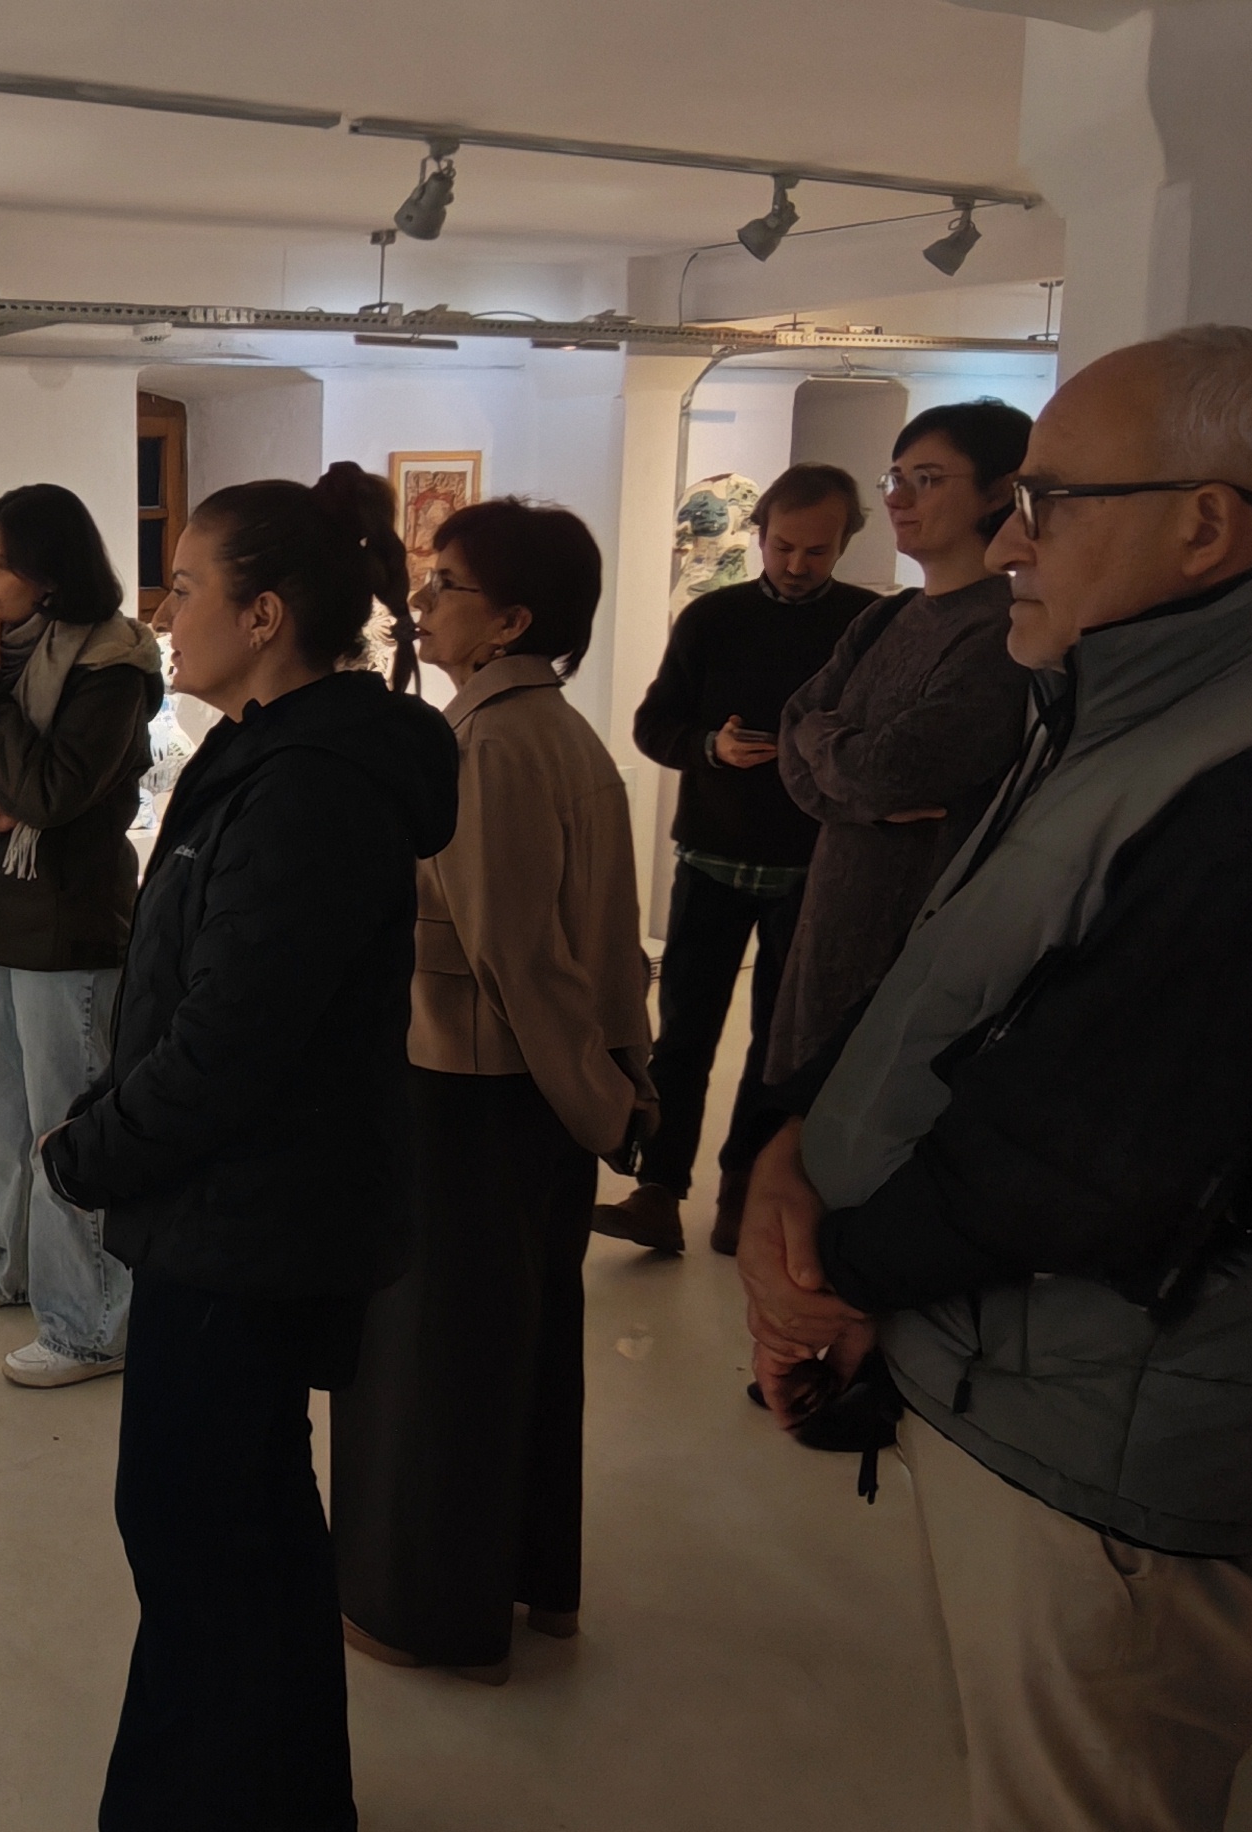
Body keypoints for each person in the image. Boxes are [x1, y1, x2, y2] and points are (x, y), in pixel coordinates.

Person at [740, 325, 1252, 1832]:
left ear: (1203, 523)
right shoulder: (1148, 705)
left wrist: (822, 1271)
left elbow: (1092, 1152)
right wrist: (792, 1136)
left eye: (1047, 503)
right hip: (1043, 1387)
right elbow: (962, 967)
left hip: (1122, 1437)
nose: (1009, 543)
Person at [39, 477, 458, 1830]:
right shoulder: (271, 752)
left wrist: (90, 1149)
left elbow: (231, 1040)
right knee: (240, 1528)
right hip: (233, 1210)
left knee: (201, 1531)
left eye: (183, 587)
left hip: (250, 1222)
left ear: (264, 615)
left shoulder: (312, 786)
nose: (163, 613)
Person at [333, 498, 653, 1683]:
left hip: (469, 1094)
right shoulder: (535, 728)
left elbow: (521, 958)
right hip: (506, 1094)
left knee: (440, 1365)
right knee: (507, 1347)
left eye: (446, 585)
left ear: (511, 619)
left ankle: (429, 1611)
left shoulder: (491, 745)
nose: (420, 603)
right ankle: (521, 1585)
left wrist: (595, 1099)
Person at [756, 402, 1036, 1259]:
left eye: (928, 479)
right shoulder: (885, 618)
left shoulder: (1002, 632)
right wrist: (853, 778)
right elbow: (796, 741)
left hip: (911, 947)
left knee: (868, 1172)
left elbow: (887, 768)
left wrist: (843, 763)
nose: (901, 499)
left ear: (999, 493)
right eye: (897, 478)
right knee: (807, 1151)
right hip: (833, 925)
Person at [0, 484, 165, 1389]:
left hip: (67, 923)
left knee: (69, 1126)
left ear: (51, 573)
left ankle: (91, 1323)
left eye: (1, 560)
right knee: (2, 1118)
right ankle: (14, 1267)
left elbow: (49, 794)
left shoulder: (112, 667)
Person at [598, 464, 875, 1255]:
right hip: (713, 860)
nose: (796, 565)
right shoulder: (712, 618)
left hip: (812, 869)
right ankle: (659, 1191)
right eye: (783, 546)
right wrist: (710, 749)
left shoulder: (868, 625)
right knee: (684, 1034)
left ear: (845, 542)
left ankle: (744, 1198)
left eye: (816, 551)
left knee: (776, 1044)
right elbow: (654, 726)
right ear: (759, 536)